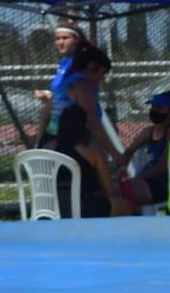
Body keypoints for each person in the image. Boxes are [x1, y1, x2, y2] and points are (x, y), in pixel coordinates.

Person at [40, 41, 122, 165]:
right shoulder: (84, 86)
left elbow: (46, 112)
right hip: (69, 147)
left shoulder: (65, 84)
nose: (103, 78)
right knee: (101, 168)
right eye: (103, 73)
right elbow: (92, 122)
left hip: (50, 141)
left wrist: (40, 142)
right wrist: (114, 153)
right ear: (92, 67)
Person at [54, 104, 132, 217]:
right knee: (125, 206)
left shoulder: (49, 148)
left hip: (54, 207)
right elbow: (109, 190)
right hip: (84, 207)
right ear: (84, 125)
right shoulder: (92, 151)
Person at [118, 91, 170, 208]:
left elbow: (162, 167)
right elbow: (129, 151)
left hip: (163, 184)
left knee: (121, 191)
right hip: (147, 180)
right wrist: (122, 167)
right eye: (153, 107)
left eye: (159, 108)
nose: (154, 111)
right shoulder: (149, 132)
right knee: (114, 187)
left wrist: (138, 178)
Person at [34, 19, 86, 147]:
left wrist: (51, 97)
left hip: (74, 131)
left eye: (65, 38)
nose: (60, 42)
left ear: (77, 40)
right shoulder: (64, 63)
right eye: (57, 39)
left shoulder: (81, 64)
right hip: (56, 128)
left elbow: (79, 100)